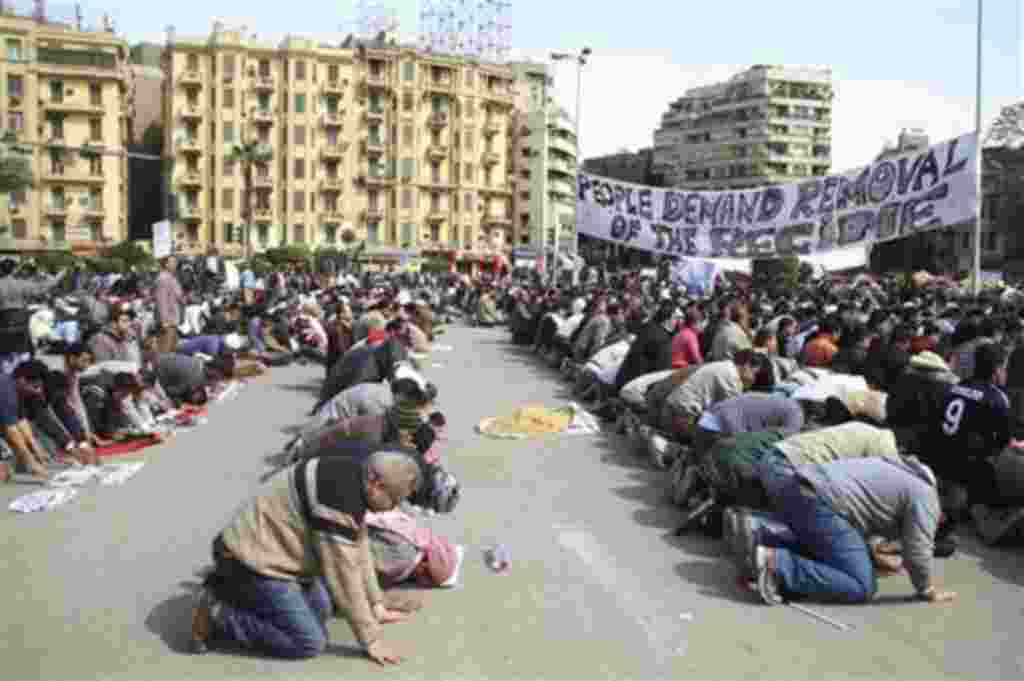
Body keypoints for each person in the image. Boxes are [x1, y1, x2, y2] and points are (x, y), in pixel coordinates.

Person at [191, 451, 422, 662]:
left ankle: (236, 593)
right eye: (393, 500)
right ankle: (218, 613)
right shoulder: (338, 500)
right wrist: (371, 639)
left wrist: (376, 603)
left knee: (321, 610)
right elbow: (344, 576)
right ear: (376, 484)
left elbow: (359, 547)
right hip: (247, 561)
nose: (392, 508)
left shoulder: (353, 475)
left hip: (273, 555)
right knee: (308, 642)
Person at [726, 456, 953, 606]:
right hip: (821, 504)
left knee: (830, 557)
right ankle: (776, 562)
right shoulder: (927, 497)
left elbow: (860, 518)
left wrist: (870, 554)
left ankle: (758, 534)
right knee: (862, 585)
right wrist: (927, 589)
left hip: (798, 487)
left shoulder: (899, 469)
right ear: (941, 517)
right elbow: (918, 548)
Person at [0, 360, 54, 480]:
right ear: (22, 380)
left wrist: (36, 447)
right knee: (6, 468)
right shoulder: (5, 390)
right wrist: (31, 460)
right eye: (35, 386)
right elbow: (11, 430)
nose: (38, 391)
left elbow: (21, 420)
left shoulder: (16, 388)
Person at [154, 256, 185, 354]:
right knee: (165, 350)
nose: (175, 264)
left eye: (176, 262)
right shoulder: (163, 279)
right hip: (168, 322)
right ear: (166, 264)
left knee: (172, 349)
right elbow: (161, 301)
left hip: (173, 320)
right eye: (173, 262)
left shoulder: (171, 277)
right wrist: (164, 321)